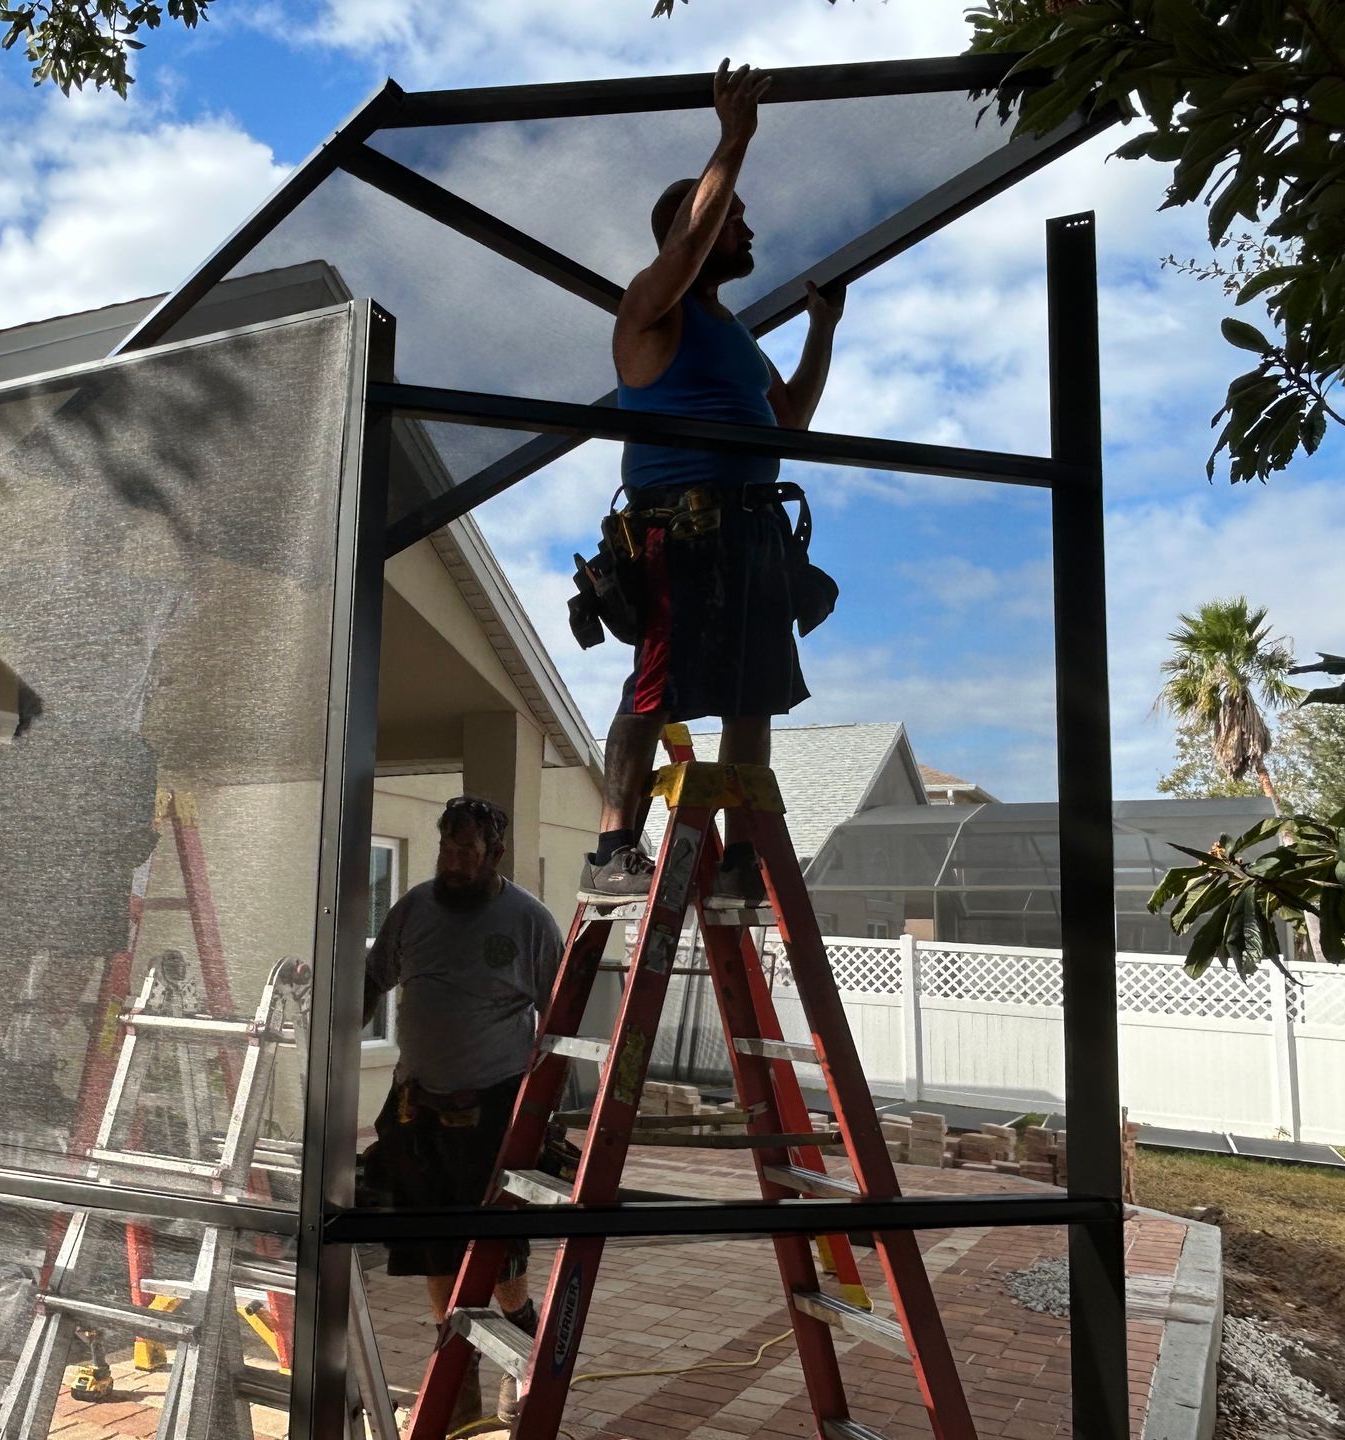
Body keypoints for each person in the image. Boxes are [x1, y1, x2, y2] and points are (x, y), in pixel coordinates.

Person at [579, 58, 846, 906]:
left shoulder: (735, 334)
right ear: (690, 231)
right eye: (736, 220)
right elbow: (687, 246)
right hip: (676, 530)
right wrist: (732, 140)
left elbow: (791, 420)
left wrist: (821, 330)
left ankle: (738, 861)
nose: (750, 231)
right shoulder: (651, 308)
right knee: (653, 690)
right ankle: (613, 849)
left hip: (750, 529)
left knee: (751, 695)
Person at [362, 795, 564, 1428]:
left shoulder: (528, 922)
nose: (452, 863)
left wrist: (545, 1113)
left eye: (466, 852)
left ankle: (519, 1358)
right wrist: (338, 1036)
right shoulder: (414, 909)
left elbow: (560, 1022)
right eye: (446, 849)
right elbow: (373, 980)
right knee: (436, 1252)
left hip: (494, 1111)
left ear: (494, 854)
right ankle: (458, 1378)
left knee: (499, 1261)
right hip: (418, 1109)